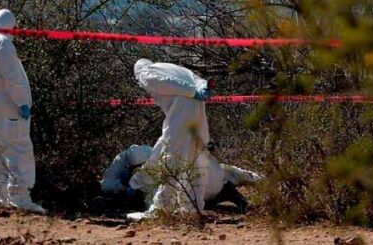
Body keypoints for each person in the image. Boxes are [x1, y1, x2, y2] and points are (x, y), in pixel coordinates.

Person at [126, 59, 215, 221]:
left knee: (171, 160)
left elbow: (157, 82)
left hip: (180, 115)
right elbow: (198, 79)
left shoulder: (145, 72)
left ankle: (161, 209)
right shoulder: (175, 68)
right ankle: (192, 209)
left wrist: (191, 91)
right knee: (196, 160)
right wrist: (201, 88)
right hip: (198, 113)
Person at [0, 9, 45, 214]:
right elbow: (13, 77)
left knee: (1, 148)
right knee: (18, 147)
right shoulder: (3, 43)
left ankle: (3, 196)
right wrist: (22, 102)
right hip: (9, 102)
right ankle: (20, 198)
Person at [101, 144, 263, 212]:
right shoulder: (131, 159)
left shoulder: (141, 157)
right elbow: (107, 185)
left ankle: (259, 181)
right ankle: (225, 192)